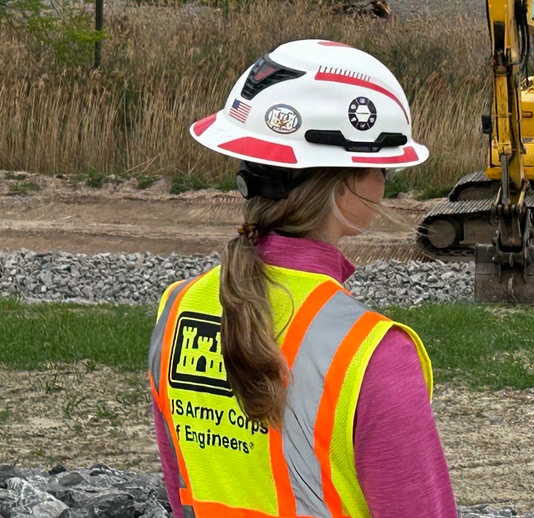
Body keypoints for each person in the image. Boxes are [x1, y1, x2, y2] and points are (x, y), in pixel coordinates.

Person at [148, 40, 457, 518]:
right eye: (385, 169)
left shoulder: (177, 312)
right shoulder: (373, 355)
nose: (384, 184)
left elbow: (182, 496)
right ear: (345, 182)